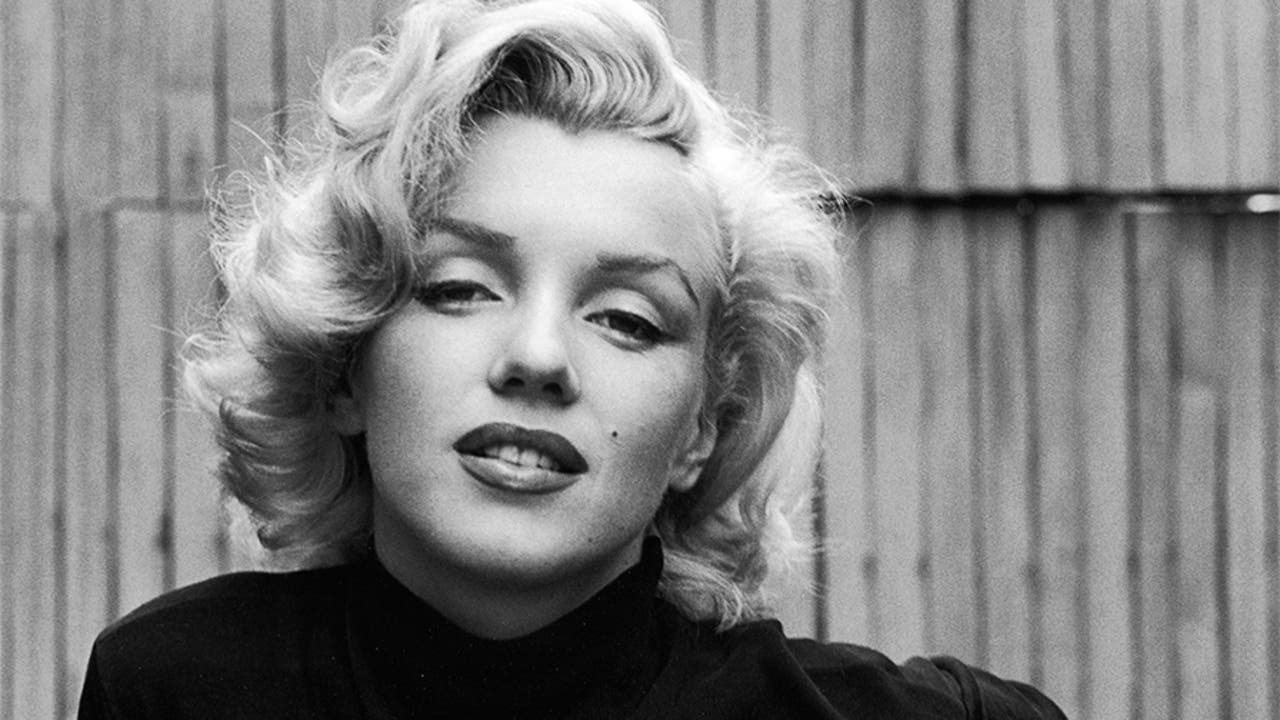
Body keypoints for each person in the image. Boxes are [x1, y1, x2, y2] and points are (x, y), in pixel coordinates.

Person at [78, 1, 1066, 717]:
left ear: (706, 427)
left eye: (627, 319)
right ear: (344, 364)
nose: (538, 357)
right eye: (460, 288)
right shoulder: (176, 687)